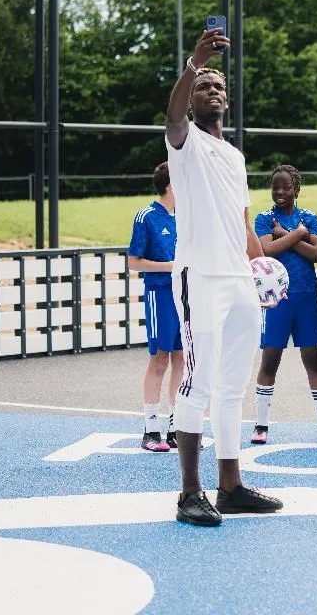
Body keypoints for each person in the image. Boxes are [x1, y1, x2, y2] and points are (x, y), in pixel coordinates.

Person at [165, 28, 283, 526]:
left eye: (218, 87)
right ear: (191, 99)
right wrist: (194, 61)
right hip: (200, 277)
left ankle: (230, 485)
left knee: (234, 388)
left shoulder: (234, 156)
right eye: (203, 87)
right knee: (198, 383)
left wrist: (264, 270)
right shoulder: (184, 140)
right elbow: (170, 115)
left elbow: (241, 220)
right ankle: (189, 493)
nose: (213, 91)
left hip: (238, 281)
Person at [251, 165, 317, 446]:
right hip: (276, 300)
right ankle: (260, 424)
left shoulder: (309, 217)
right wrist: (298, 233)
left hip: (306, 297)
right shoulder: (264, 219)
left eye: (286, 187)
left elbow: (316, 253)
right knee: (270, 359)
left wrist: (286, 234)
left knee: (313, 360)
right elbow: (267, 250)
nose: (280, 192)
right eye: (275, 187)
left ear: (296, 189)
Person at [126, 161, 184, 452]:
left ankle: (176, 426)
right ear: (172, 185)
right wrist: (170, 267)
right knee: (160, 358)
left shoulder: (187, 215)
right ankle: (151, 430)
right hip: (159, 294)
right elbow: (133, 262)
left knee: (182, 359)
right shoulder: (146, 216)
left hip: (185, 296)